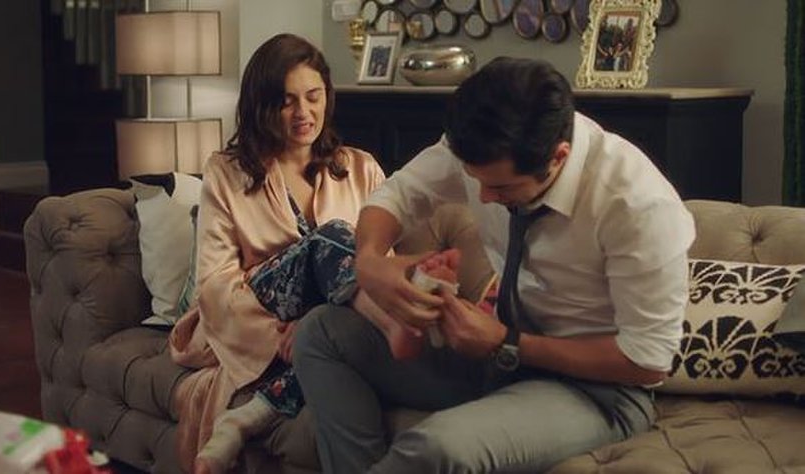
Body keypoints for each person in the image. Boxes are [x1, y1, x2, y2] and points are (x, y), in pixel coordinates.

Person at [292, 57, 696, 473]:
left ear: (558, 157)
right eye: (475, 179)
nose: (483, 198)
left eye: (501, 187)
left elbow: (647, 361)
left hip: (596, 392)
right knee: (321, 332)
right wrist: (369, 260)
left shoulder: (637, 206)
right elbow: (398, 195)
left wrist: (507, 343)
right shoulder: (481, 140)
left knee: (440, 448)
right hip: (495, 357)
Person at [167, 33, 455, 474]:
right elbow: (214, 284)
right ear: (262, 106)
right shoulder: (226, 172)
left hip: (335, 313)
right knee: (334, 237)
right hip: (256, 310)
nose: (303, 113)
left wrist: (314, 327)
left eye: (313, 97)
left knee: (339, 308)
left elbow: (383, 262)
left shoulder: (360, 167)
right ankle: (392, 325)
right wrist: (278, 332)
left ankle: (249, 416)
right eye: (287, 102)